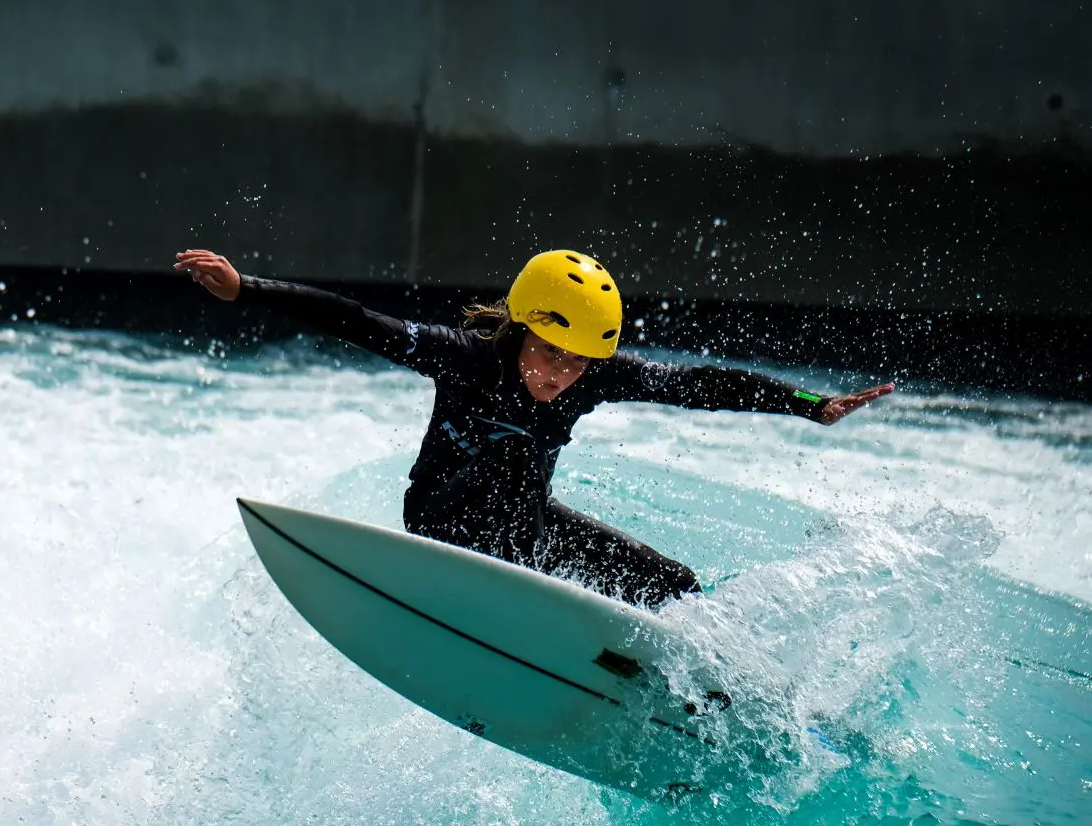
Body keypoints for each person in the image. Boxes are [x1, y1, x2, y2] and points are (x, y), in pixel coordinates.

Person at [174, 247, 894, 608]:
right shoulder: (463, 359)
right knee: (503, 504)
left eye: (579, 364)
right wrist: (247, 288)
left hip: (527, 532)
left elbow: (697, 384)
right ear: (520, 327)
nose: (560, 374)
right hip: (445, 531)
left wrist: (807, 405)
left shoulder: (592, 376)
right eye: (550, 352)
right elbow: (356, 321)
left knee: (675, 588)